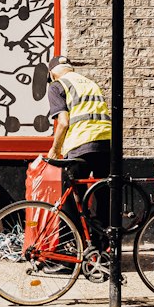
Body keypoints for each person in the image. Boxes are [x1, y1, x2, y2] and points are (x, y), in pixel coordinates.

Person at [46, 53, 111, 223]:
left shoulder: (56, 85)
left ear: (52, 74)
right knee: (103, 195)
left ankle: (76, 242)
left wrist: (55, 149)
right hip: (104, 143)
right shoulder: (91, 84)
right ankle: (101, 244)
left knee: (73, 197)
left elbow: (63, 122)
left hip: (79, 144)